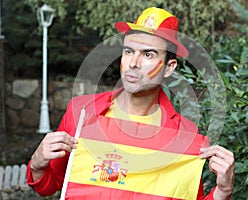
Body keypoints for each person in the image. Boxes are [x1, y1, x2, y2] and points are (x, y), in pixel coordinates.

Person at [27, 7, 234, 200]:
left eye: (148, 54)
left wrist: (223, 191)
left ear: (169, 67)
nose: (133, 63)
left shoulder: (185, 135)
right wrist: (37, 163)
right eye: (128, 51)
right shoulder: (81, 111)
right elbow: (52, 185)